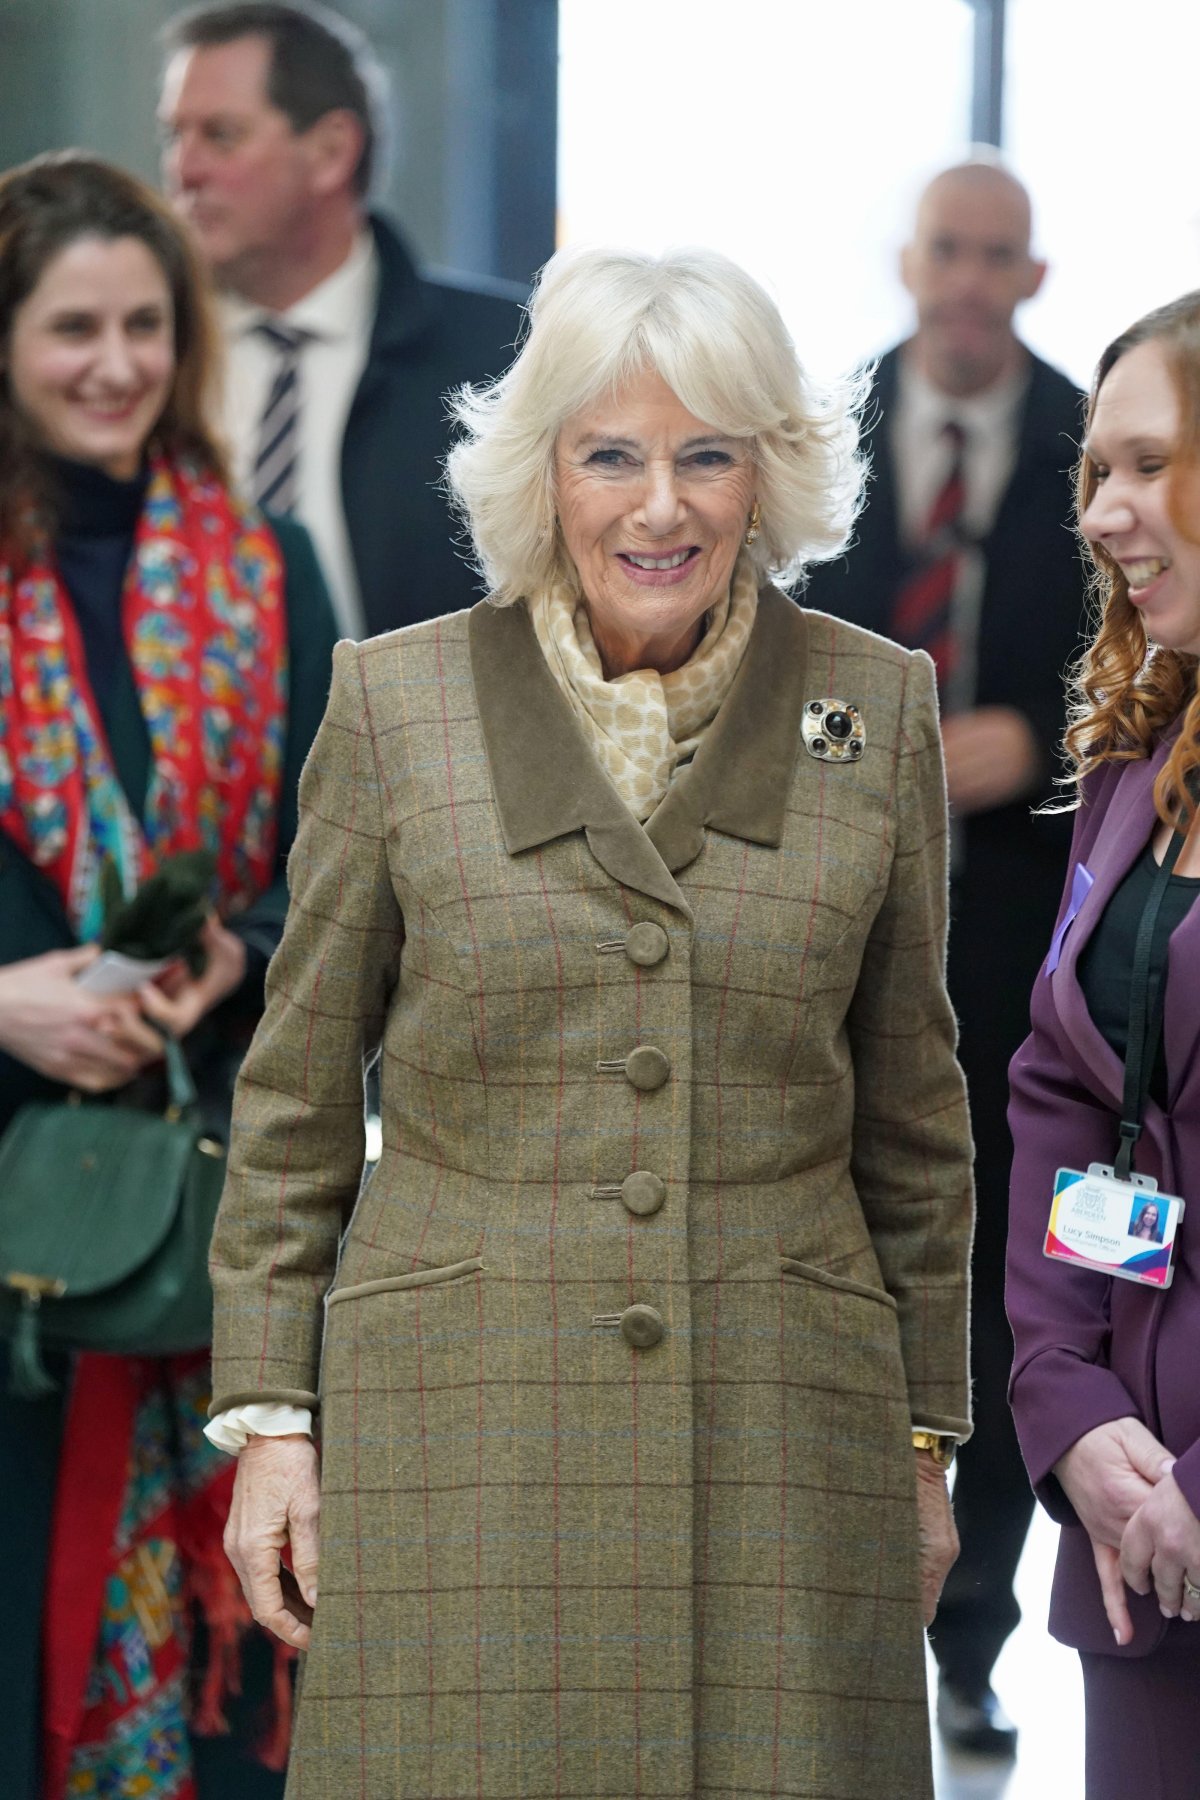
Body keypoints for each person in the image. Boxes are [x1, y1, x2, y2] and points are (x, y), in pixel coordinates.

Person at [203, 242, 975, 1798]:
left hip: (783, 1437)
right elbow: (289, 1107)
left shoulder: (875, 710)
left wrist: (922, 1446)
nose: (660, 506)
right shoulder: (395, 704)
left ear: (773, 473)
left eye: (708, 456)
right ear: (540, 469)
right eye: (609, 455)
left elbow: (913, 1120)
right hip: (458, 1437)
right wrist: (274, 1424)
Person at [0, 152, 338, 1800]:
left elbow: (339, 889)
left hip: (217, 1222)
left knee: (231, 1721)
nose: (117, 363)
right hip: (12, 1228)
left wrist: (231, 959)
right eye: (73, 327)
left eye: (146, 323)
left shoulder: (268, 573)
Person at [802, 154, 1087, 1757]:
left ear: (1031, 277)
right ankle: (830, 1618)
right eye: (948, 252)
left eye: (1000, 256)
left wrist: (1032, 742)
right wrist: (887, 746)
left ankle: (968, 1636)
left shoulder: (1082, 444)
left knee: (985, 1293)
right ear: (910, 264)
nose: (971, 281)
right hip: (838, 928)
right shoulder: (823, 427)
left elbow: (1141, 679)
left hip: (1020, 945)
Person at [1007, 289, 1200, 1800]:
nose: (1107, 514)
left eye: (1146, 465)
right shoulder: (1146, 761)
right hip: (1134, 1518)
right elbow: (1075, 1088)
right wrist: (1067, 1396)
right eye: (1096, 474)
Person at [157, 0, 526, 639]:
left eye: (220, 135)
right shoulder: (142, 359)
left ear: (331, 151)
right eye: (174, 135)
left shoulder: (505, 356)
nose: (183, 170)